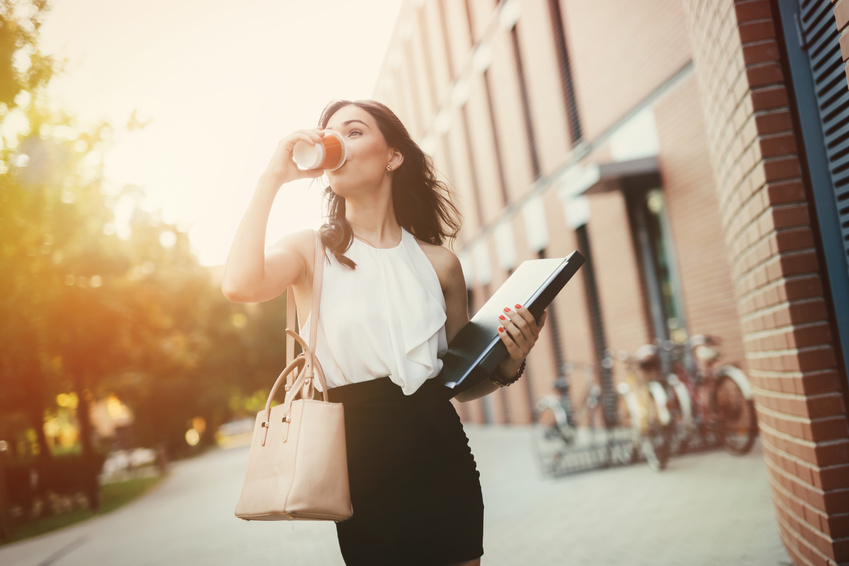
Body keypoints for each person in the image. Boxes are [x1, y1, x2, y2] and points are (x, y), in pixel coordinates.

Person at [222, 100, 547, 566]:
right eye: (328, 133)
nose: (335, 143)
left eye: (353, 132)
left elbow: (462, 385)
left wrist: (511, 361)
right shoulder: (310, 251)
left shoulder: (440, 264)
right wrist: (272, 177)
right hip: (360, 463)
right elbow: (239, 284)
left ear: (392, 156)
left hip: (440, 454)